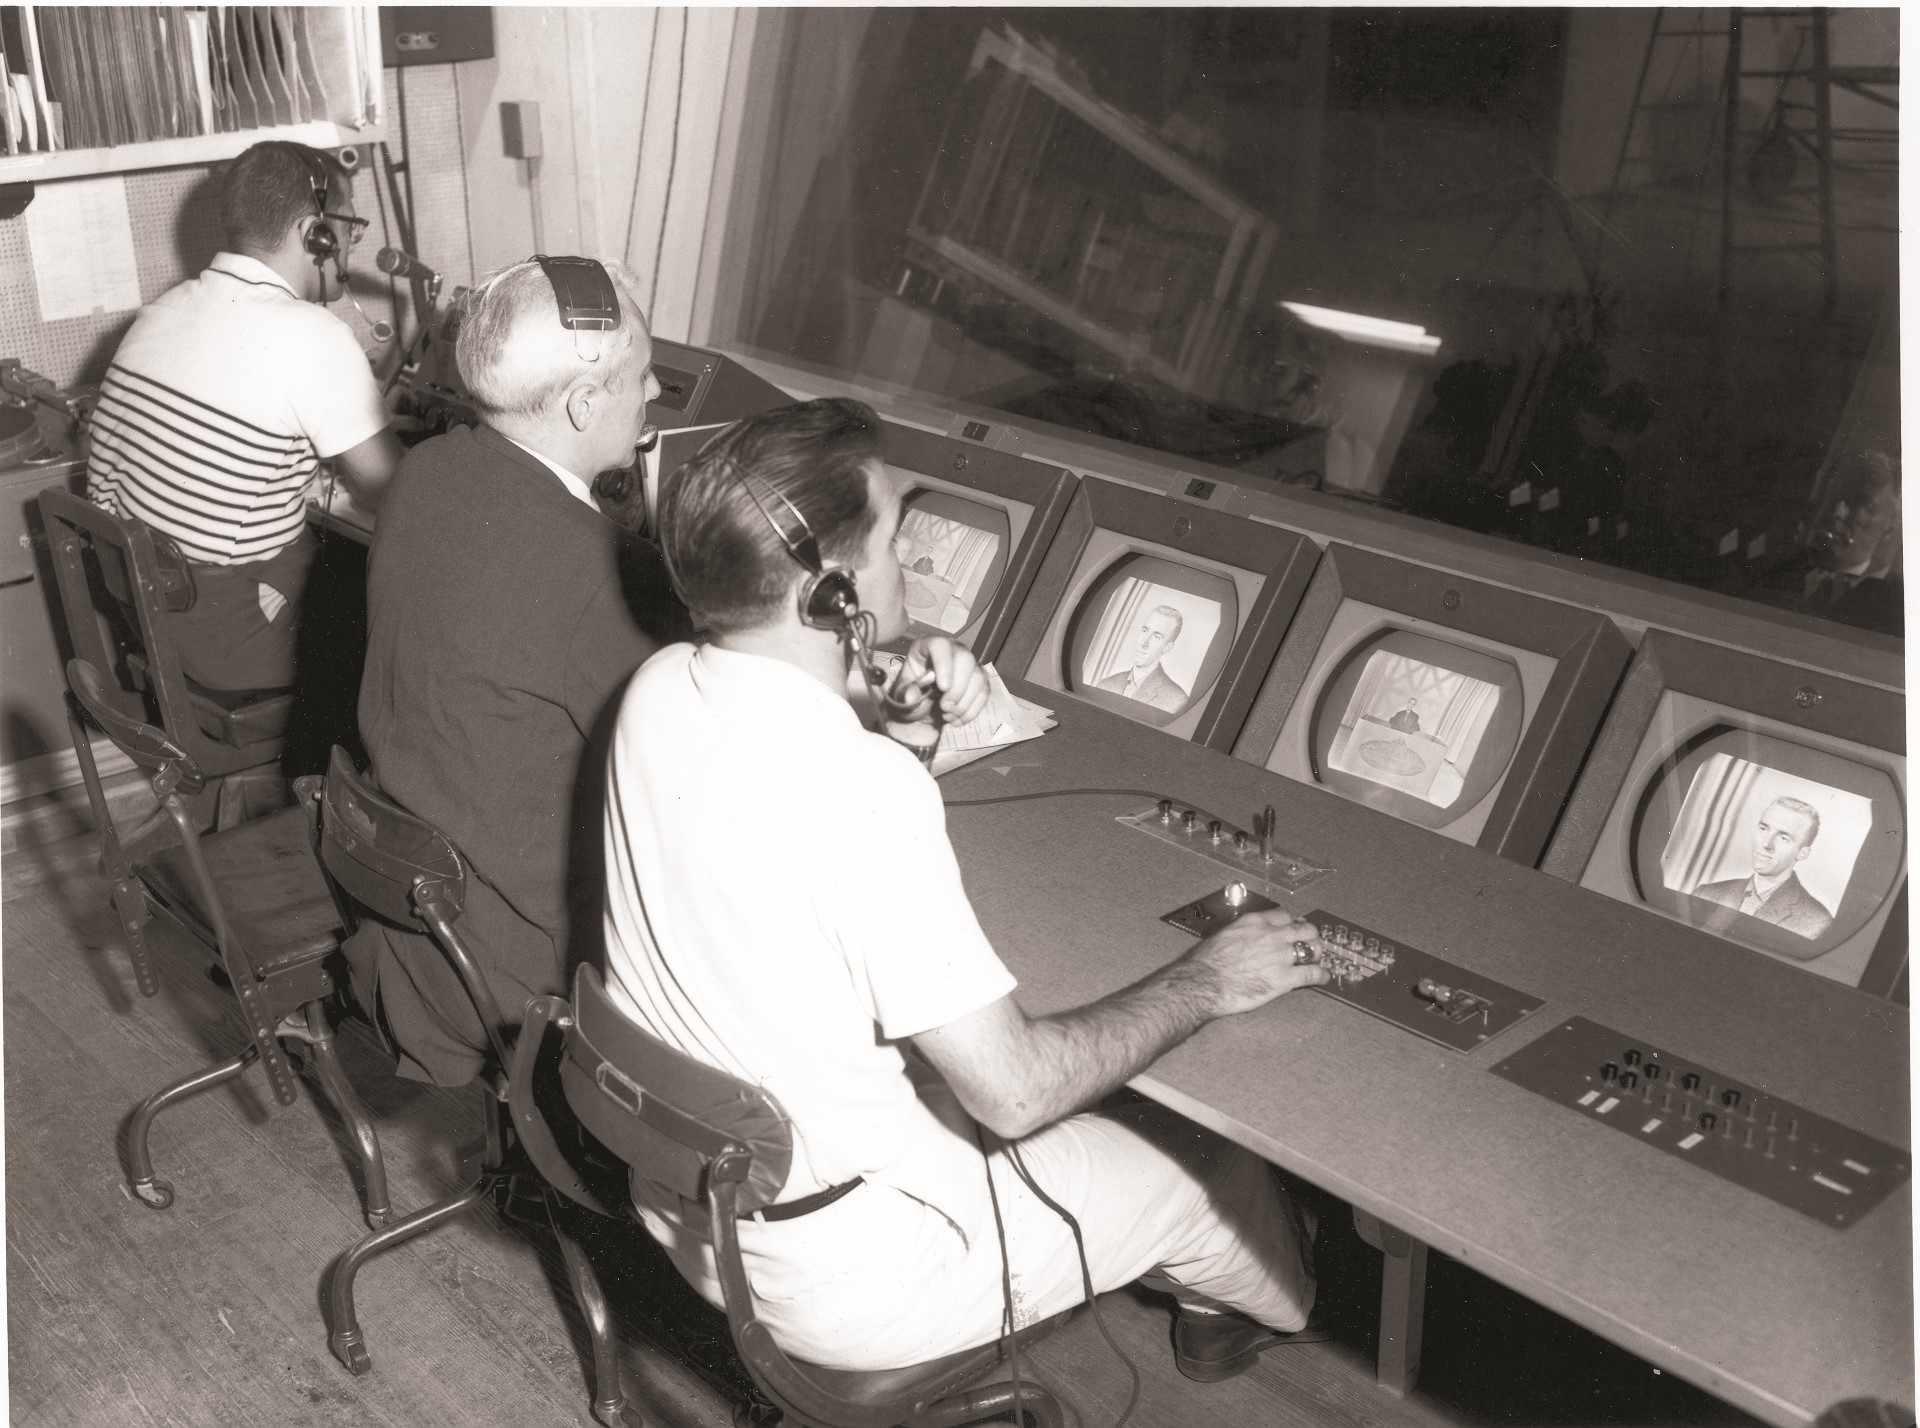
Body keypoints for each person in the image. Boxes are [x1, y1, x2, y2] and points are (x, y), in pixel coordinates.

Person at [602, 397, 1332, 1382]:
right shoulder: (860, 789)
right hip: (851, 1273)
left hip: (687, 1193)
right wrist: (1210, 979)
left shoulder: (654, 691)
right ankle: (1259, 1313)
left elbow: (775, 815)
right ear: (831, 596)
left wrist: (901, 742)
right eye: (897, 538)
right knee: (1208, 1162)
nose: (911, 565)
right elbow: (1019, 1092)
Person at [348, 255, 679, 1086]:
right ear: (582, 402)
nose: (656, 396)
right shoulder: (596, 568)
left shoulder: (426, 473)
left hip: (418, 929)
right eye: (643, 375)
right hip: (518, 968)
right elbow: (704, 751)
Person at [85, 140, 400, 694]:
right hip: (236, 637)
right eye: (350, 231)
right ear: (315, 235)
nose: (349, 252)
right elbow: (392, 492)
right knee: (416, 620)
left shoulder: (160, 312)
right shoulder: (314, 337)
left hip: (153, 618)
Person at [1693, 796, 1836, 941]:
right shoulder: (1706, 893)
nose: (1766, 844)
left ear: (1802, 853)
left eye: (1783, 837)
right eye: (1763, 829)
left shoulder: (1816, 923)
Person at [1094, 603, 1191, 712]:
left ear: (1167, 647)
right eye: (1145, 630)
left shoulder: (1177, 701)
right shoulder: (1106, 684)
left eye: (1156, 636)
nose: (1144, 643)